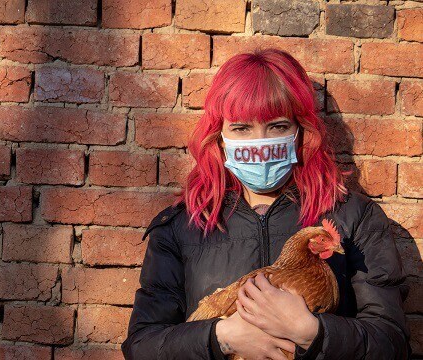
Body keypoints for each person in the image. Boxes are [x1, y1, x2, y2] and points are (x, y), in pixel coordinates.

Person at [121, 48, 411, 360]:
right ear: (219, 136)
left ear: (300, 132)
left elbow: (391, 343)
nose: (259, 143)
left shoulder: (354, 218)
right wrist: (221, 337)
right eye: (242, 128)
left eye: (277, 126)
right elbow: (143, 345)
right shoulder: (181, 227)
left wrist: (313, 332)